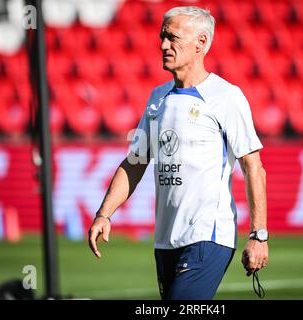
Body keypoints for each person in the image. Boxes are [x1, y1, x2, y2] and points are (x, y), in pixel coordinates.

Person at [88, 6, 268, 300]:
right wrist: (104, 214)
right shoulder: (158, 98)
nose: (163, 45)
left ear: (200, 42)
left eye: (173, 38)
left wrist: (258, 235)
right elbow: (136, 162)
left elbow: (253, 167)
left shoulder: (226, 97)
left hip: (208, 236)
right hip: (166, 240)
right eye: (162, 36)